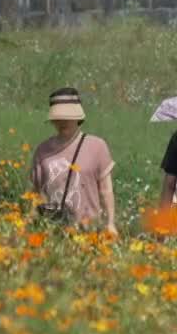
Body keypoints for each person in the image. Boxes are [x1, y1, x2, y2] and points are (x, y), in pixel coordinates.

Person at [30, 88, 118, 235]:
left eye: (67, 117)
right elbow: (35, 193)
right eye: (58, 117)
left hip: (88, 231)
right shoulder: (42, 151)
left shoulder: (97, 146)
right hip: (52, 231)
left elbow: (106, 190)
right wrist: (30, 222)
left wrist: (110, 223)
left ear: (78, 117)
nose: (62, 122)